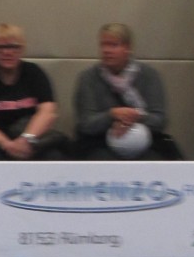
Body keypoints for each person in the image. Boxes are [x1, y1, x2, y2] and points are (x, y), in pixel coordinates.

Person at [73, 23, 182, 160]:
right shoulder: (88, 78)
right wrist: (112, 115)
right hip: (100, 142)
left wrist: (134, 117)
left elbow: (160, 120)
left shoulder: (149, 75)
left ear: (128, 48)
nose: (106, 50)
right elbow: (86, 123)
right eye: (103, 45)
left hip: (146, 140)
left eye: (113, 45)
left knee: (155, 160)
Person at [0, 22, 67, 160]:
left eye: (13, 47)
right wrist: (6, 144)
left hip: (29, 139)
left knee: (54, 157)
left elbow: (48, 112)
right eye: (0, 47)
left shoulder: (34, 73)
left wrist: (26, 139)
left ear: (22, 49)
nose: (7, 52)